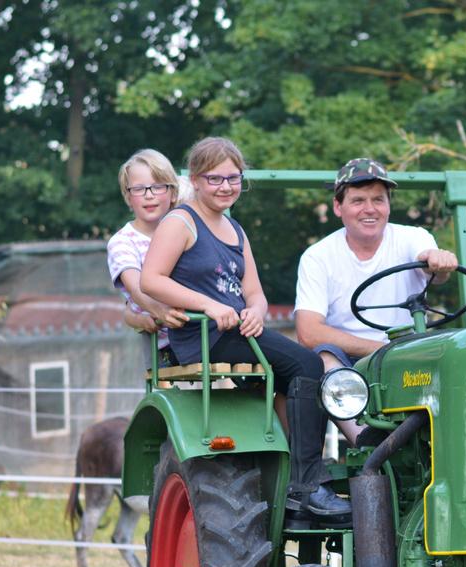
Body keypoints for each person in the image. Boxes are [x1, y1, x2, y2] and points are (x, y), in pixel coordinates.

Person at [140, 136, 350, 525]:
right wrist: (207, 304)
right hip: (207, 336)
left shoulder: (235, 230)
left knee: (296, 375)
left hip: (239, 333)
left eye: (233, 178)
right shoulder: (181, 222)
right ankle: (307, 485)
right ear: (197, 181)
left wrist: (255, 311)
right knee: (307, 364)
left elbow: (254, 292)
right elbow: (151, 279)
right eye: (215, 179)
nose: (225, 187)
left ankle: (291, 478)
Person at [294, 157, 459, 444]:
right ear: (338, 207)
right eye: (358, 200)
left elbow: (431, 264)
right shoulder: (319, 256)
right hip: (351, 364)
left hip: (407, 356)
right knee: (322, 359)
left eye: (378, 200)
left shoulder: (412, 238)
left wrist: (438, 260)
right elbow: (308, 331)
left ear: (388, 205)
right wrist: (379, 349)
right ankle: (367, 443)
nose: (369, 209)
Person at [107, 148, 189, 358]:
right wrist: (159, 311)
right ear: (128, 196)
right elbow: (136, 289)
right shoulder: (123, 242)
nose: (149, 195)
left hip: (206, 326)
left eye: (157, 187)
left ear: (172, 193)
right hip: (169, 341)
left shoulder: (185, 229)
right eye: (139, 189)